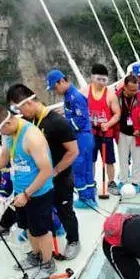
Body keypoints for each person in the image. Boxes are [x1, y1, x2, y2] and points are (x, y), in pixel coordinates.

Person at [0, 102, 56, 279]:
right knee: (28, 227)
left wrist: (27, 194)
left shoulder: (31, 137)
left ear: (5, 123)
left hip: (38, 192)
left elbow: (46, 170)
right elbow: (3, 159)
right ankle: (35, 255)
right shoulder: (9, 134)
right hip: (21, 190)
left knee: (41, 230)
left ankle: (47, 262)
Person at [5, 85, 81, 260]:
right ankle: (43, 244)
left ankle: (73, 240)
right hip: (40, 180)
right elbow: (4, 122)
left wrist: (55, 171)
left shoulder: (57, 122)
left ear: (29, 102)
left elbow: (73, 151)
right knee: (42, 213)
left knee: (64, 210)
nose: (18, 113)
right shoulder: (28, 121)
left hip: (59, 176)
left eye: (18, 108)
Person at [46, 69, 96, 209]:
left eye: (55, 88)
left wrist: (63, 125)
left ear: (61, 82)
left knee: (79, 167)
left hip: (81, 137)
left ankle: (85, 198)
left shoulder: (74, 96)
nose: (56, 92)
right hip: (86, 136)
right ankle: (90, 196)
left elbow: (80, 119)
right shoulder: (70, 96)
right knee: (86, 168)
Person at [84, 63, 121, 197]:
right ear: (92, 78)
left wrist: (108, 123)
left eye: (104, 80)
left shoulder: (110, 95)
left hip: (106, 133)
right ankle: (91, 182)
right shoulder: (84, 92)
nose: (101, 83)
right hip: (91, 134)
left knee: (109, 160)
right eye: (99, 79)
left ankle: (111, 182)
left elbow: (117, 114)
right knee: (91, 159)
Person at [116, 75, 140, 193]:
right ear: (125, 87)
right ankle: (123, 180)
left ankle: (136, 182)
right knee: (123, 158)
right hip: (121, 132)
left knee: (137, 160)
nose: (135, 92)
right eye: (132, 90)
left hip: (137, 135)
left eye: (136, 89)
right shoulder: (117, 96)